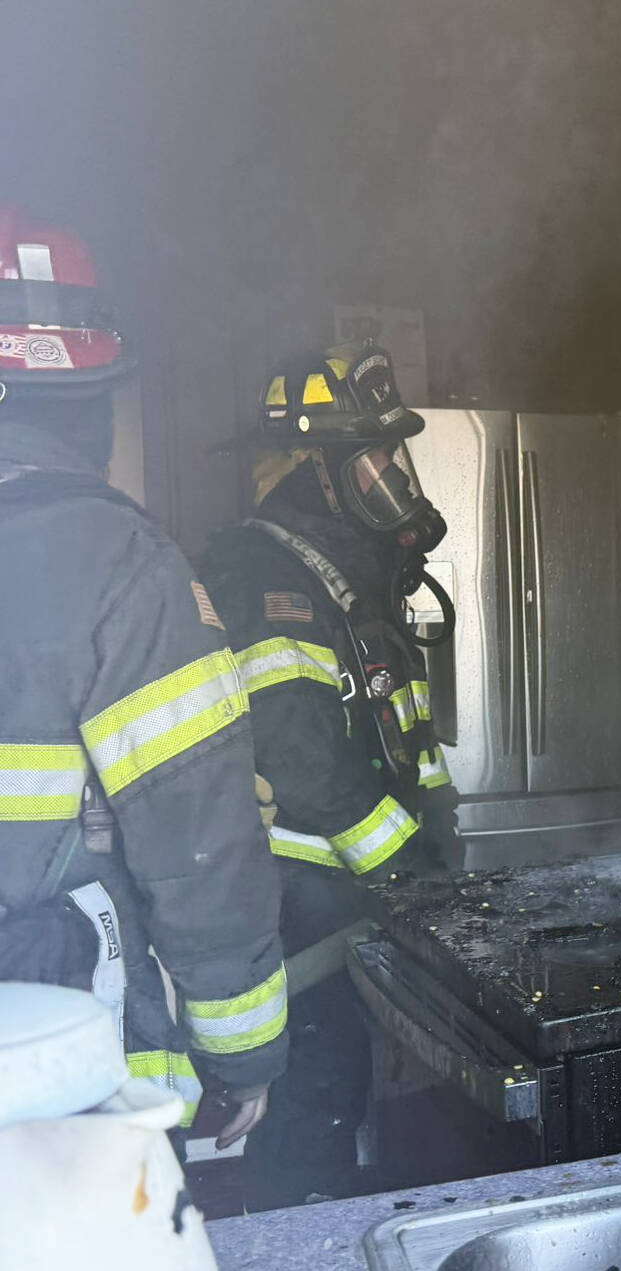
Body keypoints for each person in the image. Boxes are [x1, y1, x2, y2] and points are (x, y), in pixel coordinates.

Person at [0, 206, 287, 1146]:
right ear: (90, 402)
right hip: (59, 1063)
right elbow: (200, 836)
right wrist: (243, 1055)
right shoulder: (123, 565)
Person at [199, 342, 460, 1205]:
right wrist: (405, 869)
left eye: (395, 459)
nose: (395, 480)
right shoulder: (263, 574)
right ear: (318, 470)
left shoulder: (338, 575)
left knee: (342, 1098)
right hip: (298, 922)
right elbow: (299, 756)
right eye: (375, 461)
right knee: (311, 1111)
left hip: (344, 910)